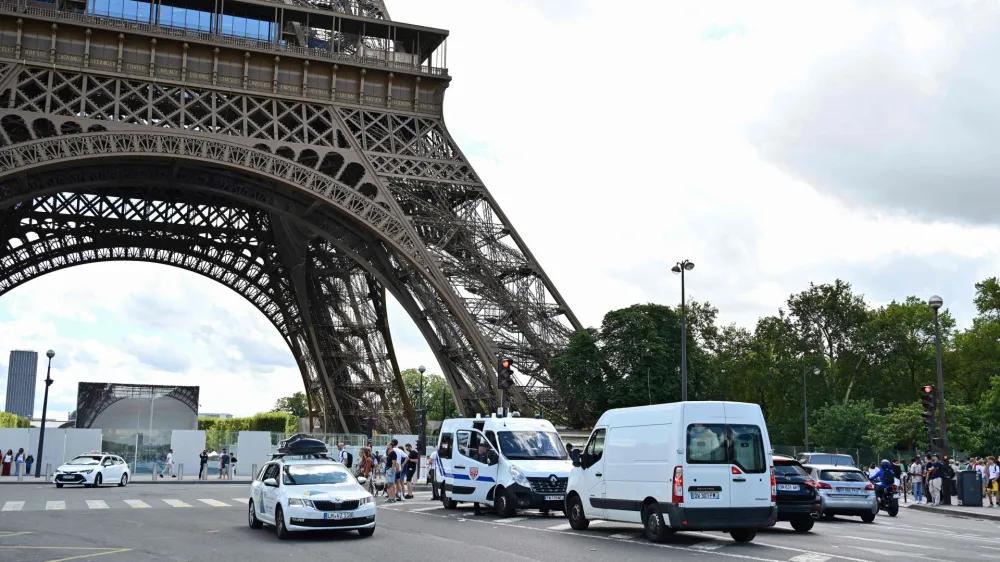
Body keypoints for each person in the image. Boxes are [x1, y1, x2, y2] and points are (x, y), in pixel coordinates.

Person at [470, 442, 497, 516]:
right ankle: (477, 510)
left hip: (485, 477)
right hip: (478, 477)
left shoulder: (487, 456)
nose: (479, 450)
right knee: (476, 494)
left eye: (481, 449)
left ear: (485, 450)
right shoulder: (476, 456)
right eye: (479, 448)